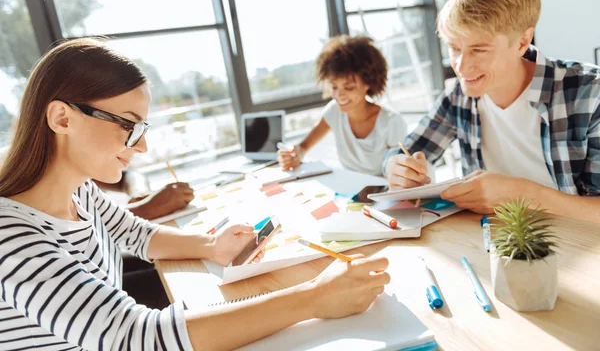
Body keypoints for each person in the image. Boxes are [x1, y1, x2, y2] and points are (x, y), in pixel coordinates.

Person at [0, 38, 390, 350]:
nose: (142, 147)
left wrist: (211, 246)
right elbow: (134, 337)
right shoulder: (11, 238)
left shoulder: (79, 190)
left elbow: (139, 235)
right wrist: (314, 298)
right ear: (62, 118)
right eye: (129, 126)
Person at [383, 0, 600, 222]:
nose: (461, 67)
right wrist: (395, 168)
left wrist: (522, 193)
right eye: (454, 48)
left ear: (521, 42)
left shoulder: (590, 93)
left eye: (478, 50)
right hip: (493, 241)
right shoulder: (458, 96)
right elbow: (405, 151)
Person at [278, 35, 408, 177]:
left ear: (368, 83)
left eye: (349, 87)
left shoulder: (391, 121)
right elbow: (302, 147)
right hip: (351, 190)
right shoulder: (334, 111)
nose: (339, 95)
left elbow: (403, 171)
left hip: (385, 191)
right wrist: (293, 155)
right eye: (334, 87)